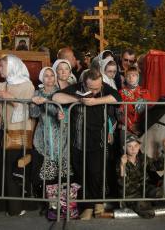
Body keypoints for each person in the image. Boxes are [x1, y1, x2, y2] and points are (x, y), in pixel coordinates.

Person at [52, 68, 122, 220]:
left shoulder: (104, 87)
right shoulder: (77, 88)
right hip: (78, 139)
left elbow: (118, 98)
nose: (95, 90)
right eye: (91, 88)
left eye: (98, 87)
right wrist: (78, 100)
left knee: (96, 173)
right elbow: (56, 96)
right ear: (84, 83)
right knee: (81, 173)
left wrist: (95, 101)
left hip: (99, 139)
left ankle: (93, 205)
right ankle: (90, 204)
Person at [0, 54, 35, 216]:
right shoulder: (1, 85)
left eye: (1, 66)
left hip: (18, 131)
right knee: (1, 167)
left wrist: (11, 98)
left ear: (12, 67)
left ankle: (16, 207)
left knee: (15, 169)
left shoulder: (27, 86)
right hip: (0, 131)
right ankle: (1, 204)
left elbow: (28, 111)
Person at [117, 135, 165, 218]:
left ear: (139, 147)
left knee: (161, 194)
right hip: (130, 193)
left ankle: (147, 201)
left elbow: (159, 166)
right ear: (124, 148)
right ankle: (128, 203)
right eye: (129, 146)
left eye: (135, 146)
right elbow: (124, 186)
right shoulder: (121, 162)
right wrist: (122, 166)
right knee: (148, 212)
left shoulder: (142, 158)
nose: (133, 149)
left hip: (144, 188)